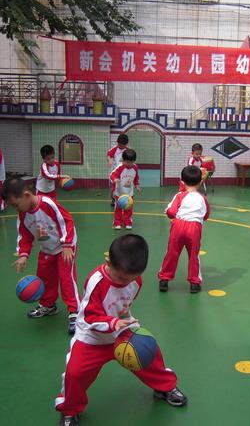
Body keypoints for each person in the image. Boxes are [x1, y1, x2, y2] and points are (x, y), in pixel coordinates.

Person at [55, 234, 187, 426]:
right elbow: (91, 315)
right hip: (92, 335)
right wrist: (112, 323)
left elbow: (123, 305)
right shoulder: (96, 281)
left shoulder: (136, 281)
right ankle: (70, 410)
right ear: (108, 261)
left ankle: (164, 387)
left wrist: (123, 322)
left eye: (131, 278)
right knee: (75, 373)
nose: (125, 282)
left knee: (150, 354)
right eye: (121, 277)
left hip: (121, 327)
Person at [2, 177, 80, 335]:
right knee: (44, 277)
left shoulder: (47, 204)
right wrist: (23, 255)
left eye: (16, 205)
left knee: (66, 278)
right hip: (47, 249)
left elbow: (66, 221)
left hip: (65, 247)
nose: (16, 209)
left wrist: (66, 245)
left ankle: (75, 312)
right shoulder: (23, 215)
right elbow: (25, 236)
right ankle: (48, 305)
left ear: (26, 195)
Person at [158, 165, 210, 293]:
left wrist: (174, 217)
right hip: (194, 227)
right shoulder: (202, 198)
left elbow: (170, 211)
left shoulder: (180, 196)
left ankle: (164, 280)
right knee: (194, 255)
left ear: (182, 181)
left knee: (172, 252)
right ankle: (194, 283)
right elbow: (206, 214)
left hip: (178, 226)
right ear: (200, 181)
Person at [110, 149, 140, 230]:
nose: (129, 164)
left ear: (134, 161)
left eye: (131, 162)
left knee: (129, 208)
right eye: (126, 162)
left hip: (129, 193)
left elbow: (136, 177)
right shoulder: (120, 168)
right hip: (119, 193)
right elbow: (112, 175)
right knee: (118, 209)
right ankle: (118, 223)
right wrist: (115, 179)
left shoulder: (135, 167)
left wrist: (137, 185)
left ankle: (128, 222)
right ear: (123, 160)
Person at [107, 134, 129, 207]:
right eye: (119, 144)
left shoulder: (127, 150)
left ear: (126, 144)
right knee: (114, 187)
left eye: (122, 145)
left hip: (124, 172)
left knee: (124, 186)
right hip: (116, 172)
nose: (120, 146)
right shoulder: (115, 149)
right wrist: (110, 160)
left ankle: (123, 199)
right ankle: (113, 198)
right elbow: (109, 154)